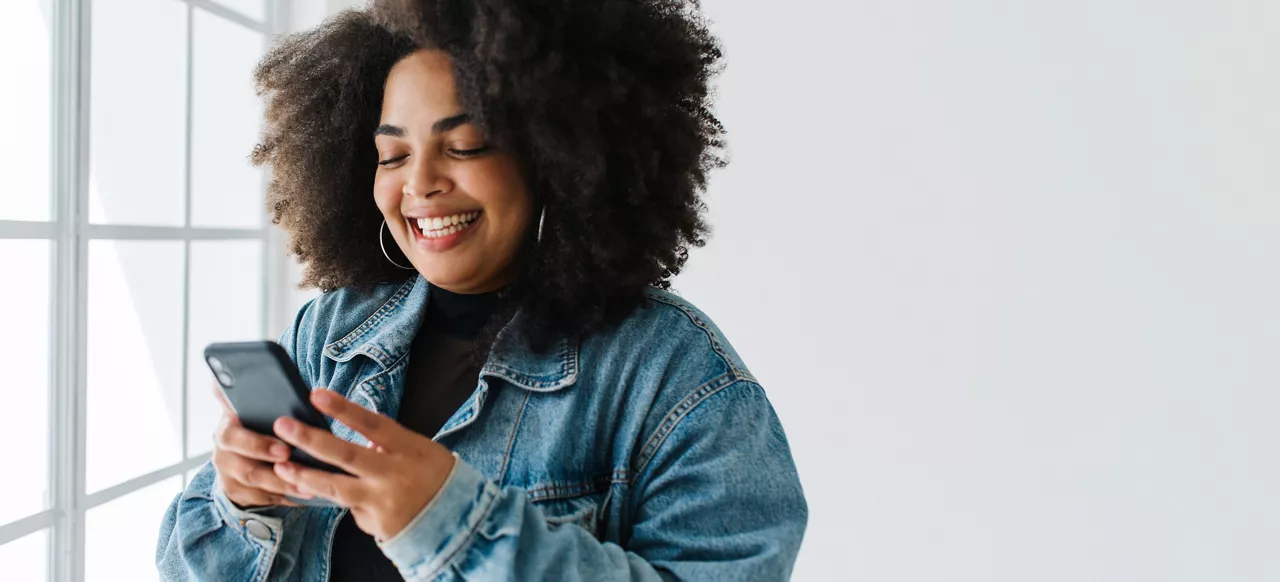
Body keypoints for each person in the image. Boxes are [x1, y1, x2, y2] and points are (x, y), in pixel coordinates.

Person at [156, 1, 807, 579]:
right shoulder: (328, 333)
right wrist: (241, 503)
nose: (421, 183)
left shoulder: (675, 376)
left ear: (559, 156)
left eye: (464, 145)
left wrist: (451, 525)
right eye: (392, 155)